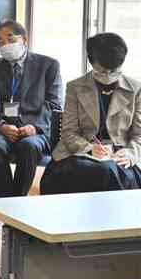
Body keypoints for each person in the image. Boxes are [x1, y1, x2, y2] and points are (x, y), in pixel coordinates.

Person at [41, 33, 141, 195]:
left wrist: (129, 153)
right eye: (102, 70)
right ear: (91, 62)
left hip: (120, 157)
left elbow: (139, 135)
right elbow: (69, 133)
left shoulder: (136, 89)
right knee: (100, 172)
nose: (108, 74)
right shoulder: (76, 87)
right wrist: (89, 149)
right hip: (79, 154)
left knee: (110, 171)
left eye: (113, 71)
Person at [0, 20, 63, 198]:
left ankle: (17, 201)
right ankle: (4, 203)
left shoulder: (48, 65)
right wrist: (1, 125)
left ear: (24, 39)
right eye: (0, 42)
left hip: (37, 130)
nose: (5, 45)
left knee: (28, 146)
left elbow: (53, 104)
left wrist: (34, 127)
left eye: (10, 39)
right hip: (3, 129)